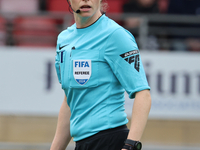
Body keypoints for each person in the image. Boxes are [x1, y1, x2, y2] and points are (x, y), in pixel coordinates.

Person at [50, 0, 151, 150]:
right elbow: (69, 101)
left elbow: (143, 94)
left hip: (111, 141)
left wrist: (130, 145)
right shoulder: (64, 39)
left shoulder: (115, 35)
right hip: (82, 144)